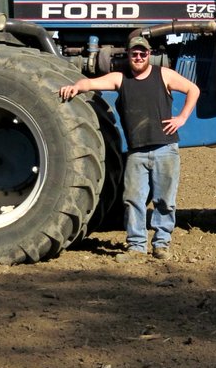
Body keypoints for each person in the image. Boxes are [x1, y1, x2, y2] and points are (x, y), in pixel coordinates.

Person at [59, 36, 200, 263]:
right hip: (137, 152)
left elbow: (193, 89)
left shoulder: (163, 74)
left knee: (165, 201)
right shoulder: (120, 78)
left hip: (166, 148)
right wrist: (75, 87)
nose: (139, 57)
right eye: (134, 53)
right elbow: (91, 83)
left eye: (143, 53)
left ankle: (161, 244)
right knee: (133, 199)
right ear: (128, 54)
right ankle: (136, 246)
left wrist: (182, 118)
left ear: (149, 54)